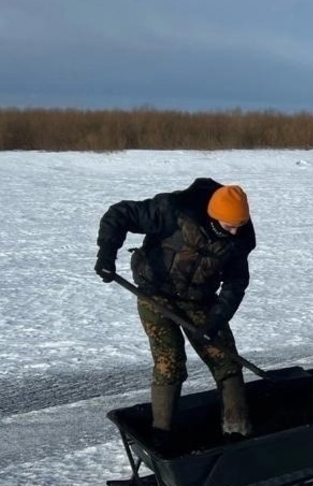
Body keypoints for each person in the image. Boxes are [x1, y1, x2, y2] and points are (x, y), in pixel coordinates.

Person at [95, 178, 256, 443]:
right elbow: (120, 214)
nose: (235, 232)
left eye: (239, 226)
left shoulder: (239, 241)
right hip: (155, 294)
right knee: (169, 362)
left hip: (200, 299)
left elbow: (235, 285)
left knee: (226, 361)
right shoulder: (173, 210)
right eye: (230, 226)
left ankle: (237, 434)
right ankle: (162, 437)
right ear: (214, 217)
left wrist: (215, 322)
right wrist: (106, 254)